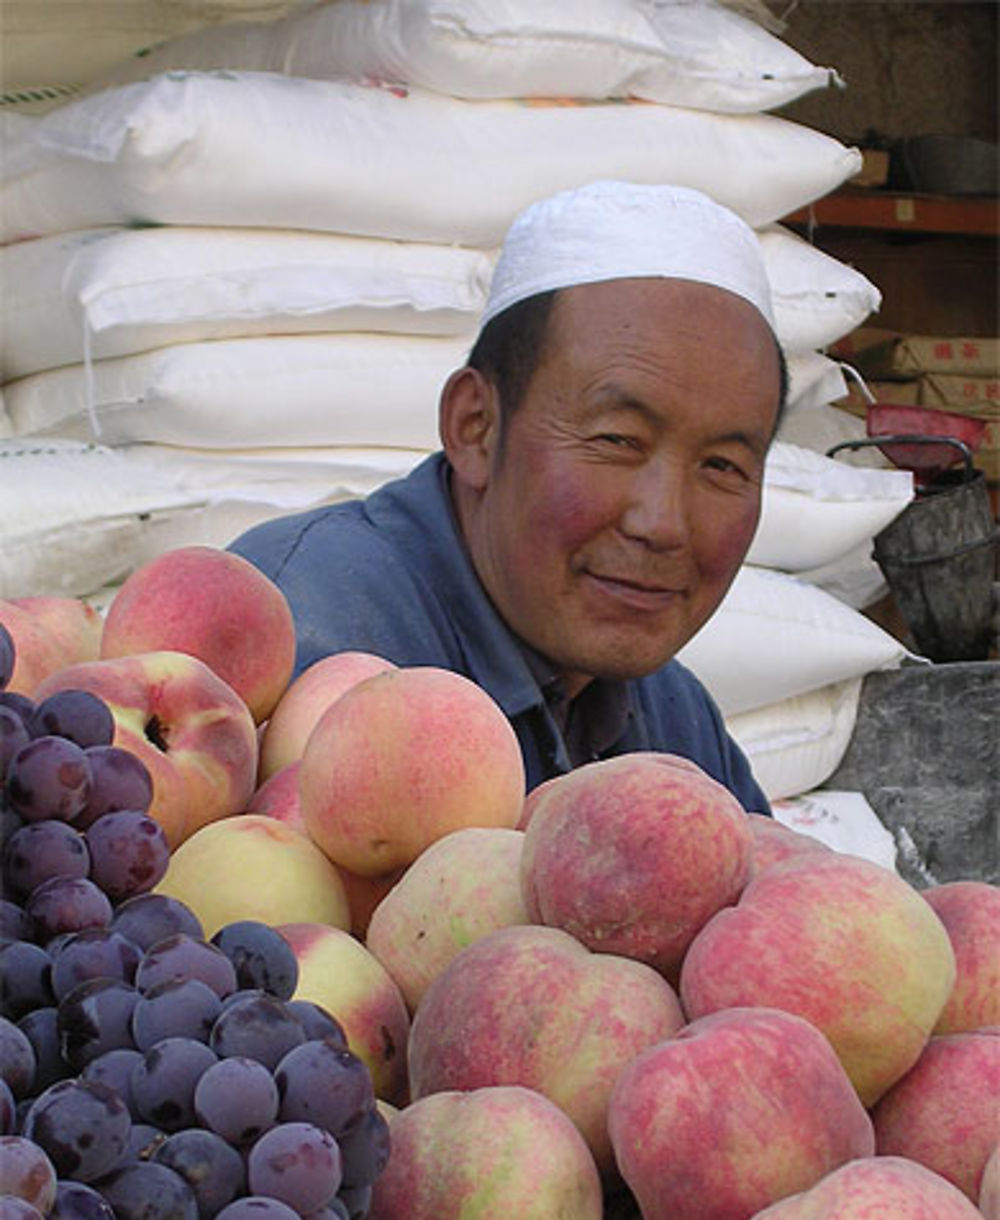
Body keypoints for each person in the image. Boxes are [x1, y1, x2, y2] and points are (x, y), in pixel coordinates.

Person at [230, 181, 788, 812]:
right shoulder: (308, 631)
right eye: (618, 439)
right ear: (476, 427)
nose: (663, 523)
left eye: (722, 465)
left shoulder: (672, 716)